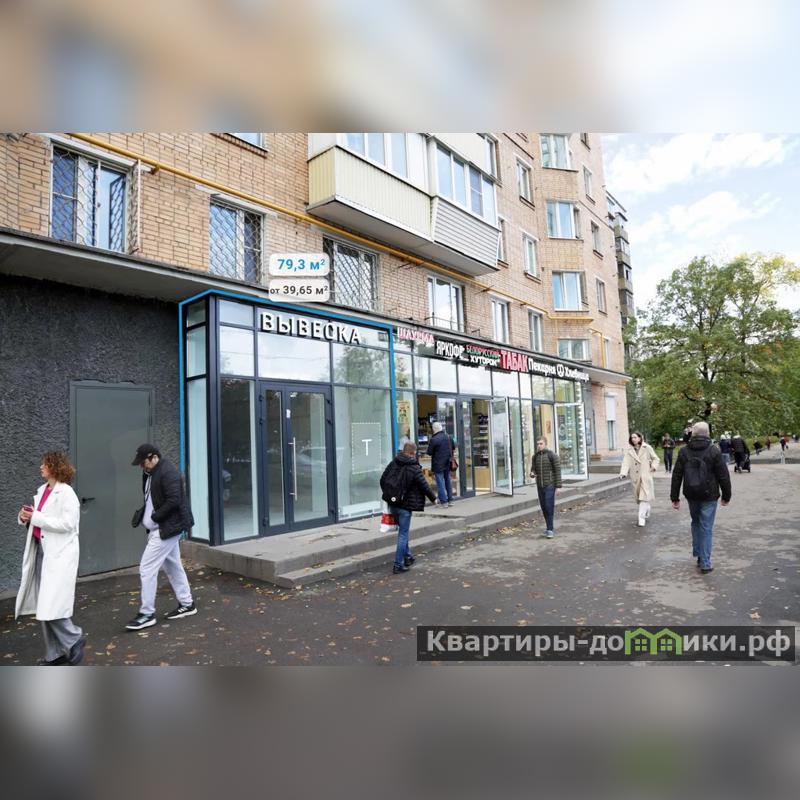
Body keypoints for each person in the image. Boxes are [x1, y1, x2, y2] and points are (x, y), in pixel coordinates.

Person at [16, 451, 86, 666]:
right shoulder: (42, 490)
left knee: (51, 604)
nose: (41, 467)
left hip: (60, 554)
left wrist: (36, 517)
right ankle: (54, 654)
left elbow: (68, 524)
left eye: (44, 464)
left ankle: (74, 637)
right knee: (44, 605)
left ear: (55, 467)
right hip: (43, 552)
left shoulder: (67, 494)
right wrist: (25, 517)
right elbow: (41, 518)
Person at [126, 444, 196, 630]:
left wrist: (155, 517)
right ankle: (187, 604)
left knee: (147, 568)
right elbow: (151, 499)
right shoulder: (149, 473)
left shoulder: (168, 472)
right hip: (160, 528)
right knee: (173, 566)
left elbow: (174, 500)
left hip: (167, 528)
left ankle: (147, 613)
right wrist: (146, 516)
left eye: (143, 462)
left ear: (154, 457)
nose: (141, 466)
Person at [670, 421, 732, 574]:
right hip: (709, 495)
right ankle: (705, 562)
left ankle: (699, 554)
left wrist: (674, 497)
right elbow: (723, 475)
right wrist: (726, 495)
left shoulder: (684, 451)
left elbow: (677, 475)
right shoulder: (714, 450)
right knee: (706, 527)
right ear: (708, 434)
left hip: (691, 494)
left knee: (696, 522)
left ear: (693, 434)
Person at [380, 442, 437, 574]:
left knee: (402, 532)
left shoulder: (394, 463)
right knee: (403, 534)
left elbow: (383, 480)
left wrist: (390, 495)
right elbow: (424, 485)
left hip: (393, 504)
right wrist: (433, 498)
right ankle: (398, 564)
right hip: (405, 506)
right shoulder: (413, 467)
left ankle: (408, 557)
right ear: (413, 453)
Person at [619, 432, 659, 527]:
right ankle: (647, 508)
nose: (633, 439)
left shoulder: (647, 448)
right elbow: (626, 462)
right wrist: (623, 473)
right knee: (640, 499)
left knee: (643, 498)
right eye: (632, 437)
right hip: (635, 478)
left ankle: (641, 519)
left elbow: (656, 458)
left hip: (645, 476)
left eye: (635, 437)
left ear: (640, 438)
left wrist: (653, 467)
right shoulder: (629, 450)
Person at [529, 437, 562, 539]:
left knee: (549, 506)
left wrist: (558, 487)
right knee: (544, 507)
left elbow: (558, 471)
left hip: (550, 485)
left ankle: (550, 530)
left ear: (545, 444)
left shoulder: (552, 455)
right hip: (540, 486)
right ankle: (548, 528)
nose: (539, 445)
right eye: (538, 444)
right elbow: (533, 470)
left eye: (541, 443)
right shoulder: (535, 457)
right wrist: (532, 474)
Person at [427, 421, 456, 507]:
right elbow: (453, 448)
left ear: (434, 429)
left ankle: (444, 502)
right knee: (448, 481)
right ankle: (450, 500)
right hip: (448, 463)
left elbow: (429, 452)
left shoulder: (434, 439)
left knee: (440, 483)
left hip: (438, 464)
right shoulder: (448, 437)